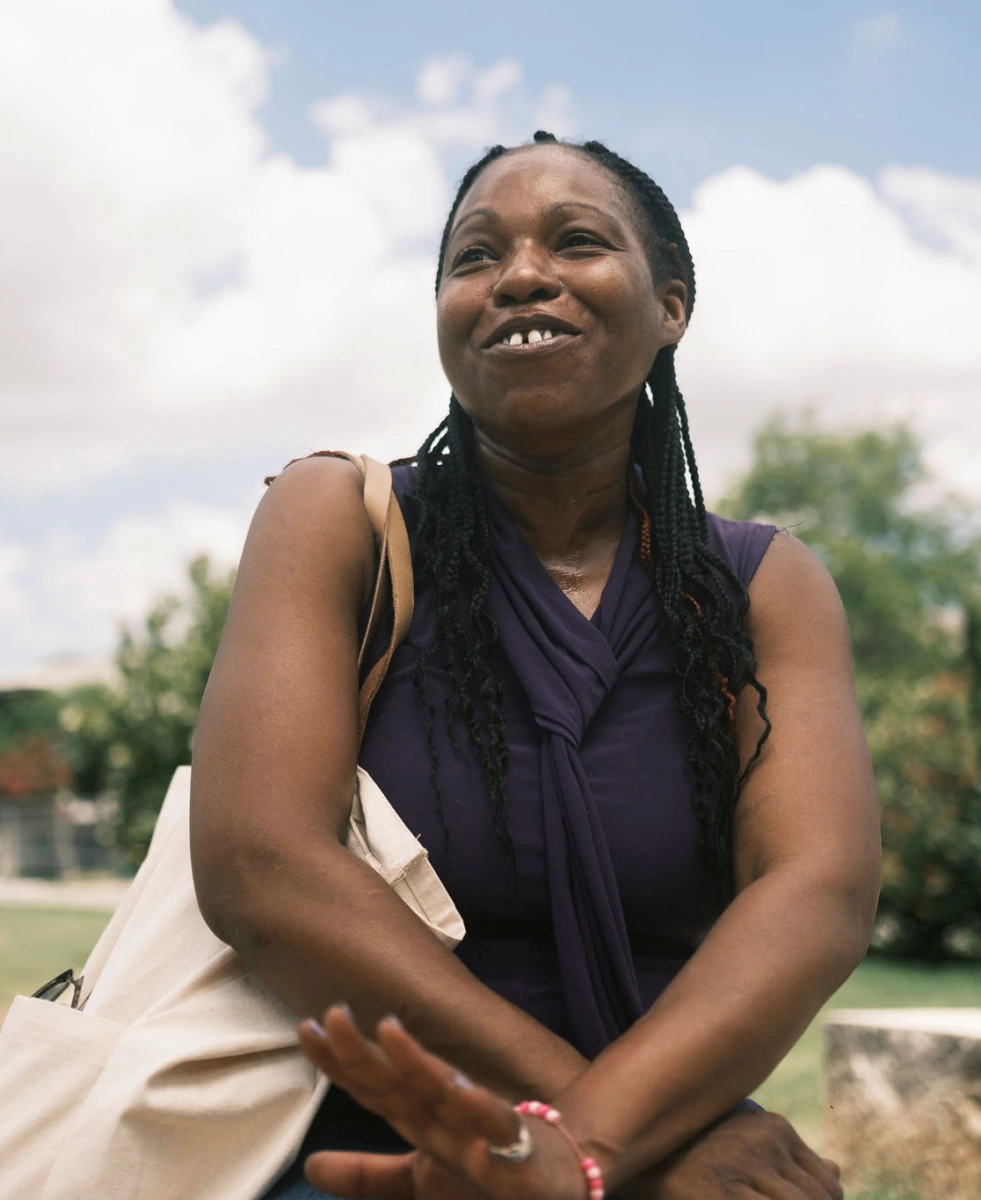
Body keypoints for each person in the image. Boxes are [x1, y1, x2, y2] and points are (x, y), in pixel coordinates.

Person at [189, 131, 880, 1200]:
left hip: (656, 1125)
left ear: (671, 308)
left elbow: (816, 892)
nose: (518, 275)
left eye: (577, 241)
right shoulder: (339, 522)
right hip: (372, 1134)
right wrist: (588, 1144)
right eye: (474, 258)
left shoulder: (761, 585)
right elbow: (262, 868)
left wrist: (595, 1146)